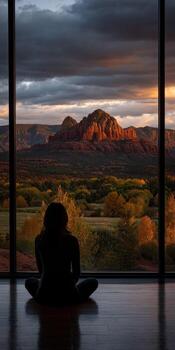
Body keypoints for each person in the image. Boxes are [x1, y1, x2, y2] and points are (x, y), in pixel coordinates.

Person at [25, 202, 98, 305]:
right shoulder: (72, 241)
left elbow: (41, 271)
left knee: (29, 281)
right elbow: (76, 273)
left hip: (44, 295)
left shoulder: (39, 240)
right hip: (69, 296)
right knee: (93, 282)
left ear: (46, 219)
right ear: (65, 219)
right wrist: (68, 287)